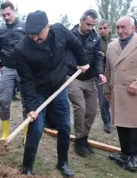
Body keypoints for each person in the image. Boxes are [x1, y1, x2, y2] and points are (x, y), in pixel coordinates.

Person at [14, 10, 89, 177]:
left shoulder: (60, 32)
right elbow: (26, 82)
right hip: (39, 91)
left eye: (37, 34)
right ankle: (27, 168)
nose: (34, 38)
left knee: (64, 127)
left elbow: (75, 44)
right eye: (30, 35)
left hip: (59, 87)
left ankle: (62, 163)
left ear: (47, 26)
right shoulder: (22, 50)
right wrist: (31, 106)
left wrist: (83, 61)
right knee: (36, 128)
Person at [66, 9, 106, 156]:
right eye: (88, 24)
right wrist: (74, 66)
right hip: (73, 77)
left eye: (93, 25)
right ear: (81, 21)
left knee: (92, 110)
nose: (90, 28)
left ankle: (85, 138)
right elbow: (65, 55)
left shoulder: (95, 38)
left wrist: (100, 73)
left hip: (90, 79)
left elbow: (98, 58)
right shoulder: (70, 35)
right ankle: (78, 140)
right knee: (80, 108)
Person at [104, 16, 137, 172]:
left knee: (134, 125)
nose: (120, 31)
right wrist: (106, 89)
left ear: (133, 28)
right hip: (117, 91)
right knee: (121, 124)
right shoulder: (111, 46)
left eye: (124, 27)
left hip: (134, 93)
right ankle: (125, 153)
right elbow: (108, 70)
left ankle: (135, 156)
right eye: (118, 27)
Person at [0, 1, 27, 141]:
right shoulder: (0, 31)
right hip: (7, 70)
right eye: (3, 15)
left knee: (27, 102)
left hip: (24, 70)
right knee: (4, 102)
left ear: (14, 11)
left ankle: (27, 133)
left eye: (8, 14)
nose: (6, 17)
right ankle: (5, 132)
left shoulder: (25, 27)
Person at [98, 20, 113, 133]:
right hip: (102, 74)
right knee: (103, 99)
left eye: (104, 28)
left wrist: (106, 55)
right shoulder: (96, 41)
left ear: (110, 29)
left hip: (116, 73)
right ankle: (107, 122)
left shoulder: (116, 40)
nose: (102, 30)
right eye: (100, 28)